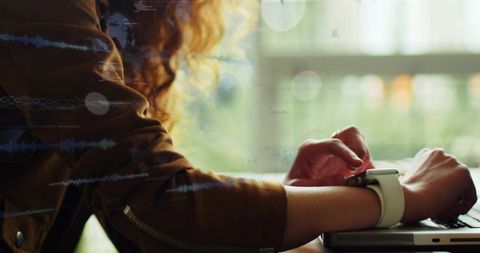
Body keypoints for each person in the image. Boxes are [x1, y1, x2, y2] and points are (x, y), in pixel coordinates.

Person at [0, 0, 476, 252]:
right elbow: (161, 205)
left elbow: (149, 232)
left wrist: (298, 201)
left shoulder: (111, 20)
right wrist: (400, 197)